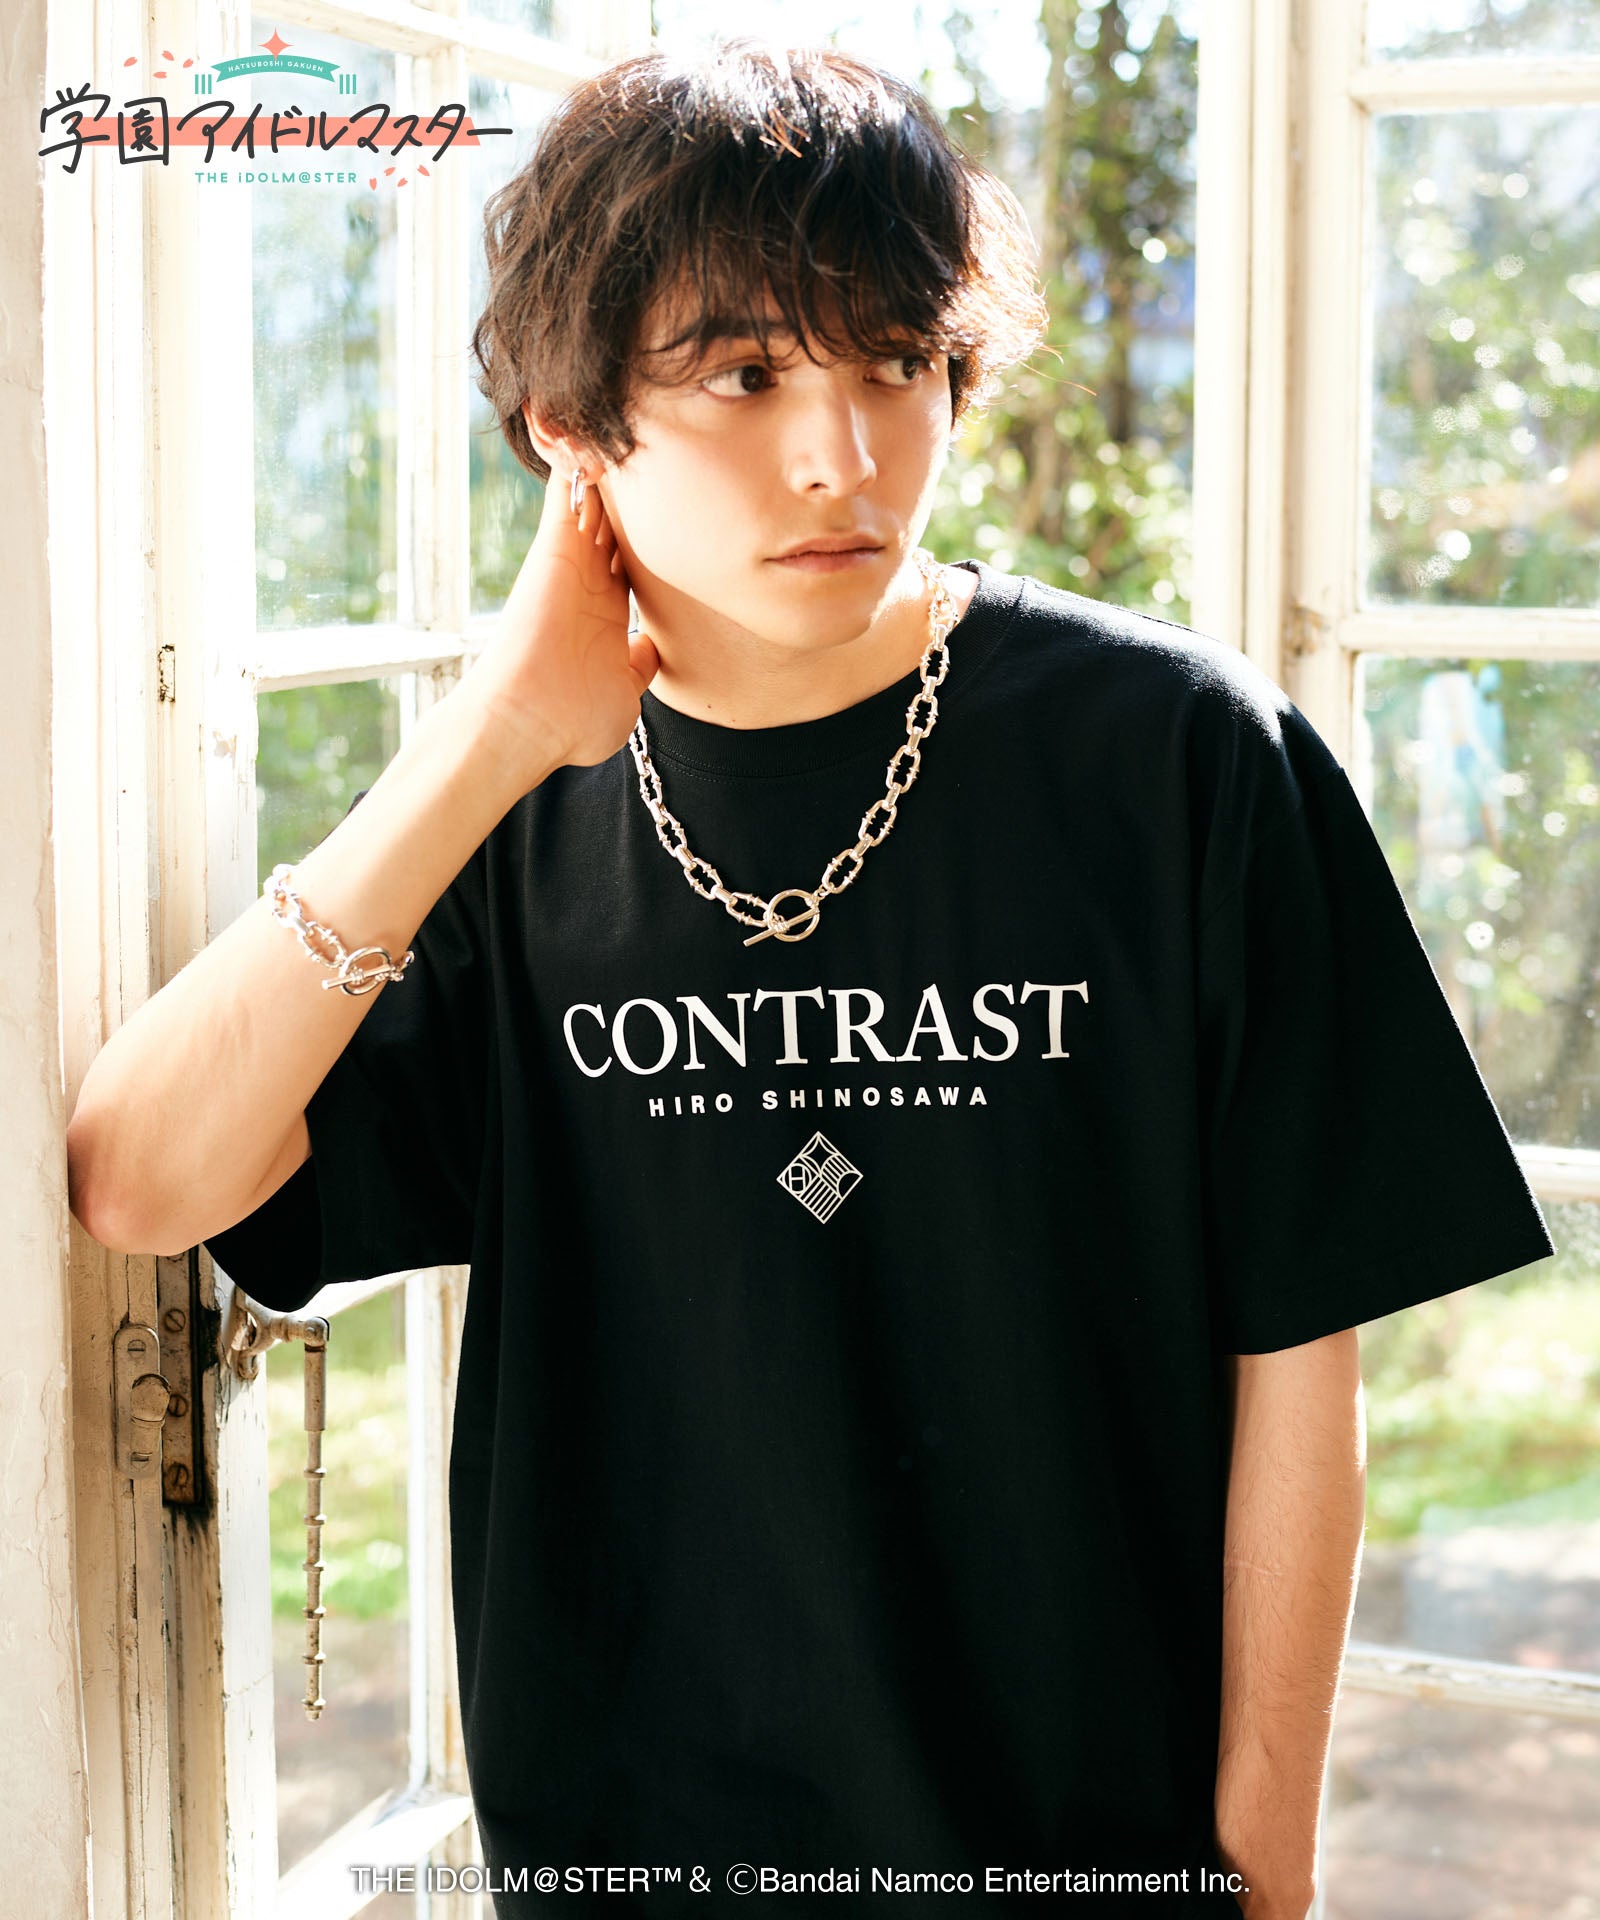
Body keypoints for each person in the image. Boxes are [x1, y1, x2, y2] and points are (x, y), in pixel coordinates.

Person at [66, 38, 1555, 1920]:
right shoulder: (501, 828)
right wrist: (494, 735)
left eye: (897, 363)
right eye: (746, 374)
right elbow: (141, 1177)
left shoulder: (1180, 759)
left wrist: (1264, 1875)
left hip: (1085, 1867)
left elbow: (1299, 1360)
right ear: (566, 420)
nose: (844, 455)